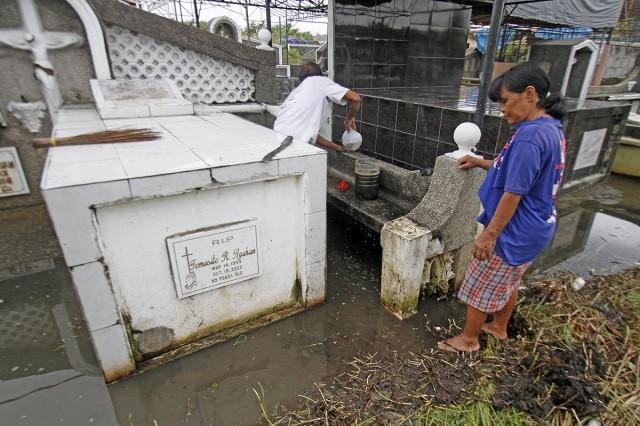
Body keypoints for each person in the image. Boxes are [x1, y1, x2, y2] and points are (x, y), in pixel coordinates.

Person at [438, 62, 567, 353]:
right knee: (508, 281)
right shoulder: (550, 129)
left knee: (480, 285)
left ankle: (469, 340)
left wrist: (489, 235)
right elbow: (520, 169)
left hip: (514, 230)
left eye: (506, 101)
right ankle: (498, 327)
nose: (503, 110)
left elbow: (514, 192)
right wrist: (482, 162)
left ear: (530, 94)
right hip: (538, 226)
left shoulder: (530, 137)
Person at [274, 61, 361, 151]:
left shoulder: (296, 92)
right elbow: (355, 98)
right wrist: (349, 119)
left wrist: (336, 147)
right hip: (294, 146)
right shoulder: (320, 81)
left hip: (276, 141)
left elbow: (310, 134)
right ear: (320, 75)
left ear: (301, 79)